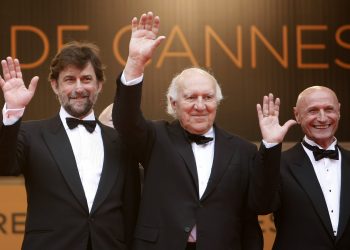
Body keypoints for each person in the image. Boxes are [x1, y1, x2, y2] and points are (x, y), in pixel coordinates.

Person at [112, 12, 295, 250]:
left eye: (208, 97)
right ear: (173, 103)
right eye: (190, 97)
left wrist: (270, 147)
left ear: (217, 102)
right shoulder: (156, 138)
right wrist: (135, 64)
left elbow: (263, 205)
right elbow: (126, 121)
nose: (200, 105)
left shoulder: (243, 150)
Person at [0, 41, 140, 250]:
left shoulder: (121, 141)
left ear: (99, 85)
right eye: (69, 79)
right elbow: (4, 165)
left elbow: (131, 209)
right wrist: (13, 111)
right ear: (55, 85)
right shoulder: (31, 134)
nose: (79, 88)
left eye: (86, 79)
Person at [267, 86, 350, 250]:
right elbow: (261, 206)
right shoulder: (279, 164)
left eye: (329, 109)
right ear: (297, 115)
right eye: (313, 111)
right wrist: (270, 146)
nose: (322, 117)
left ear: (339, 111)